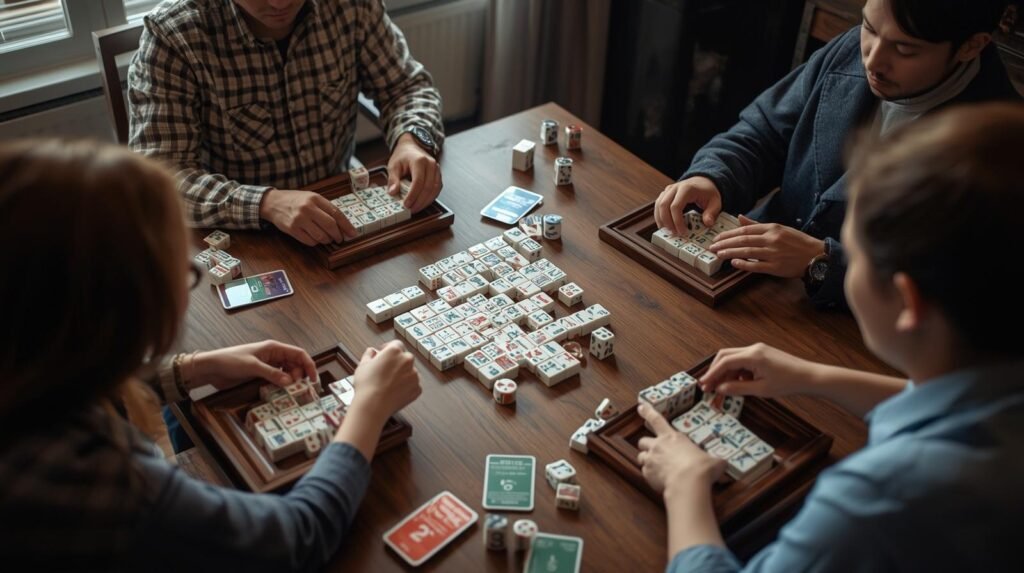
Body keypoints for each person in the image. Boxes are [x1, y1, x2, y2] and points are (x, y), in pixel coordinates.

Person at [0, 140, 422, 571]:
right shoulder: (102, 478)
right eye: (175, 265)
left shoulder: (24, 366)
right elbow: (296, 536)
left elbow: (68, 380)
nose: (193, 274)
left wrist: (191, 368)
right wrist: (368, 407)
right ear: (114, 311)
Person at [638, 102, 1024, 572]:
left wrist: (686, 489)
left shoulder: (870, 501)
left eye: (853, 255)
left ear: (907, 302)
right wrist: (815, 376)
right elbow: (961, 410)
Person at [654, 0, 1020, 309]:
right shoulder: (852, 50)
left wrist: (823, 262)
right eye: (869, 28)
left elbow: (960, 291)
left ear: (972, 46)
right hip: (746, 281)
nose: (874, 60)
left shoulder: (999, 147)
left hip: (858, 335)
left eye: (905, 49)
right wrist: (713, 174)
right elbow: (763, 132)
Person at [129, 0, 444, 247]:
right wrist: (265, 203)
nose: (279, 3)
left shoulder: (352, 4)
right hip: (245, 238)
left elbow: (407, 87)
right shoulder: (173, 35)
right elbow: (159, 180)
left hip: (342, 216)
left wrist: (411, 140)